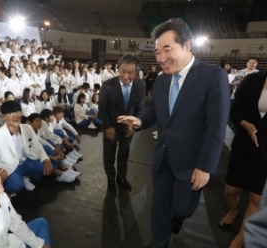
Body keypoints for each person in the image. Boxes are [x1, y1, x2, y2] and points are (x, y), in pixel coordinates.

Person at [117, 18, 230, 247]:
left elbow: (216, 127)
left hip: (192, 163)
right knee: (158, 206)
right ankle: (160, 241)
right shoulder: (160, 80)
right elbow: (156, 112)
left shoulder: (213, 77)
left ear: (187, 45)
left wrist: (205, 167)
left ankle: (178, 217)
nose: (161, 58)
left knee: (183, 208)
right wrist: (140, 120)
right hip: (162, 158)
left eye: (167, 50)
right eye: (158, 52)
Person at [220, 70, 267, 248]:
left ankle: (240, 238)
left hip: (265, 152)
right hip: (244, 144)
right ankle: (233, 211)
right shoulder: (253, 80)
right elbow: (235, 111)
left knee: (256, 198)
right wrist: (245, 124)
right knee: (231, 190)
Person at [98, 53, 145, 192]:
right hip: (110, 128)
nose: (125, 76)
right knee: (109, 156)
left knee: (124, 155)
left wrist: (133, 126)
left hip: (128, 129)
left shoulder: (141, 85)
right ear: (118, 69)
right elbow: (102, 108)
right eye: (123, 71)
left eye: (130, 73)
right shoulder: (107, 85)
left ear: (137, 73)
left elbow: (140, 108)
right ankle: (111, 180)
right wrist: (108, 126)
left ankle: (121, 178)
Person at [0, 101, 52, 193]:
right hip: (8, 167)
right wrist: (0, 173)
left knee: (42, 165)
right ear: (4, 117)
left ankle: (24, 176)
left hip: (24, 162)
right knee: (16, 186)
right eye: (10, 113)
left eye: (18, 112)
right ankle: (14, 183)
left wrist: (46, 161)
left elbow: (37, 146)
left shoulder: (27, 128)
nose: (15, 116)